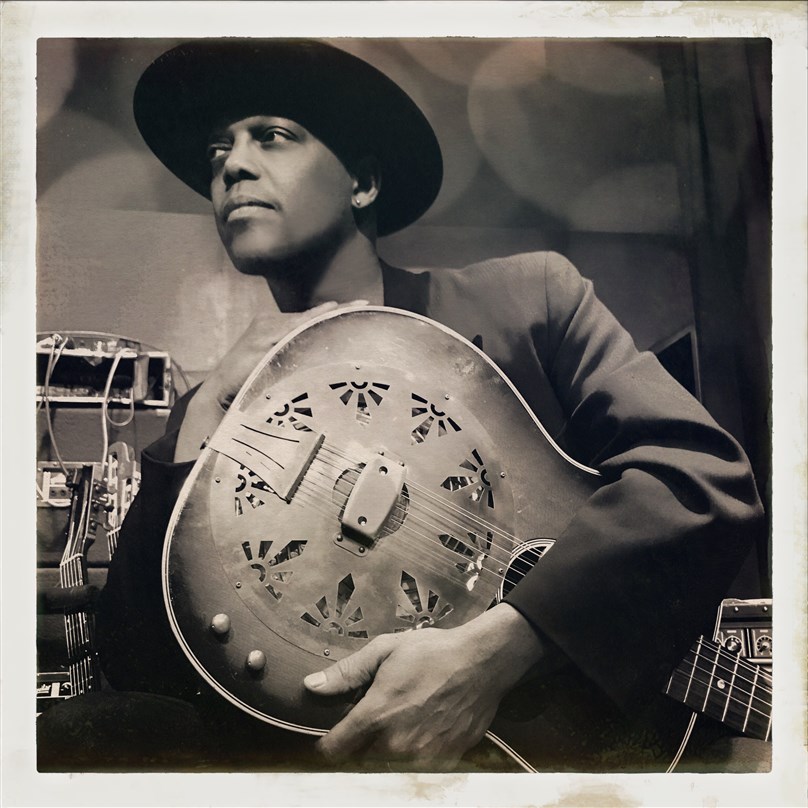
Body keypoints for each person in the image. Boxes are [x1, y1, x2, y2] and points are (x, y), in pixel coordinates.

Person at [41, 39, 764, 773]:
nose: (231, 164)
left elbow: (703, 480)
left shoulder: (528, 301)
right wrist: (205, 416)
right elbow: (138, 674)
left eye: (274, 136)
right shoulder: (206, 408)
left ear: (362, 181)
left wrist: (504, 647)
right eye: (218, 149)